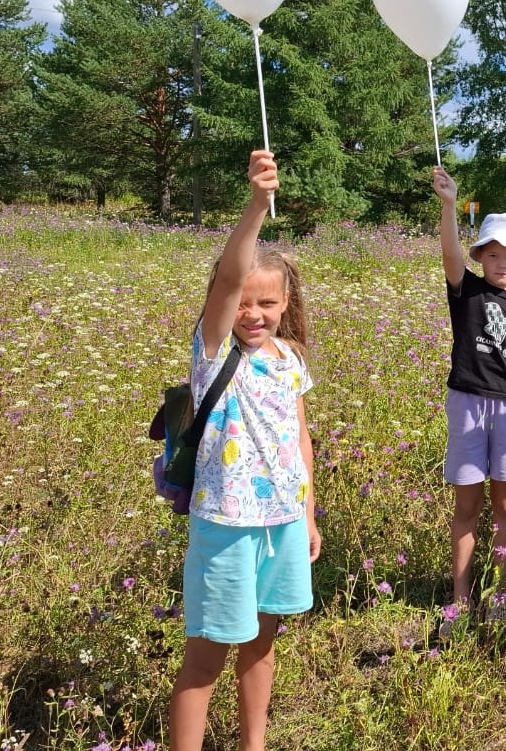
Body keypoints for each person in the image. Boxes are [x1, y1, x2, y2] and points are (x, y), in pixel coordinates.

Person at [168, 150, 321, 751]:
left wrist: (308, 514)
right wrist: (258, 204)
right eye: (244, 302)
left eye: (270, 302)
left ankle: (253, 744)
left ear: (287, 305)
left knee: (261, 646)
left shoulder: (290, 360)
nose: (254, 313)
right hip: (227, 523)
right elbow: (231, 276)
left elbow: (302, 438)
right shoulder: (211, 352)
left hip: (282, 521)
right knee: (206, 657)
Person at [432, 166, 506, 635]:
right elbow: (448, 253)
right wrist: (448, 205)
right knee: (466, 506)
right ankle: (459, 600)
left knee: (505, 504)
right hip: (467, 403)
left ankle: (499, 593)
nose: (503, 263)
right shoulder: (467, 291)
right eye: (494, 254)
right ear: (481, 256)